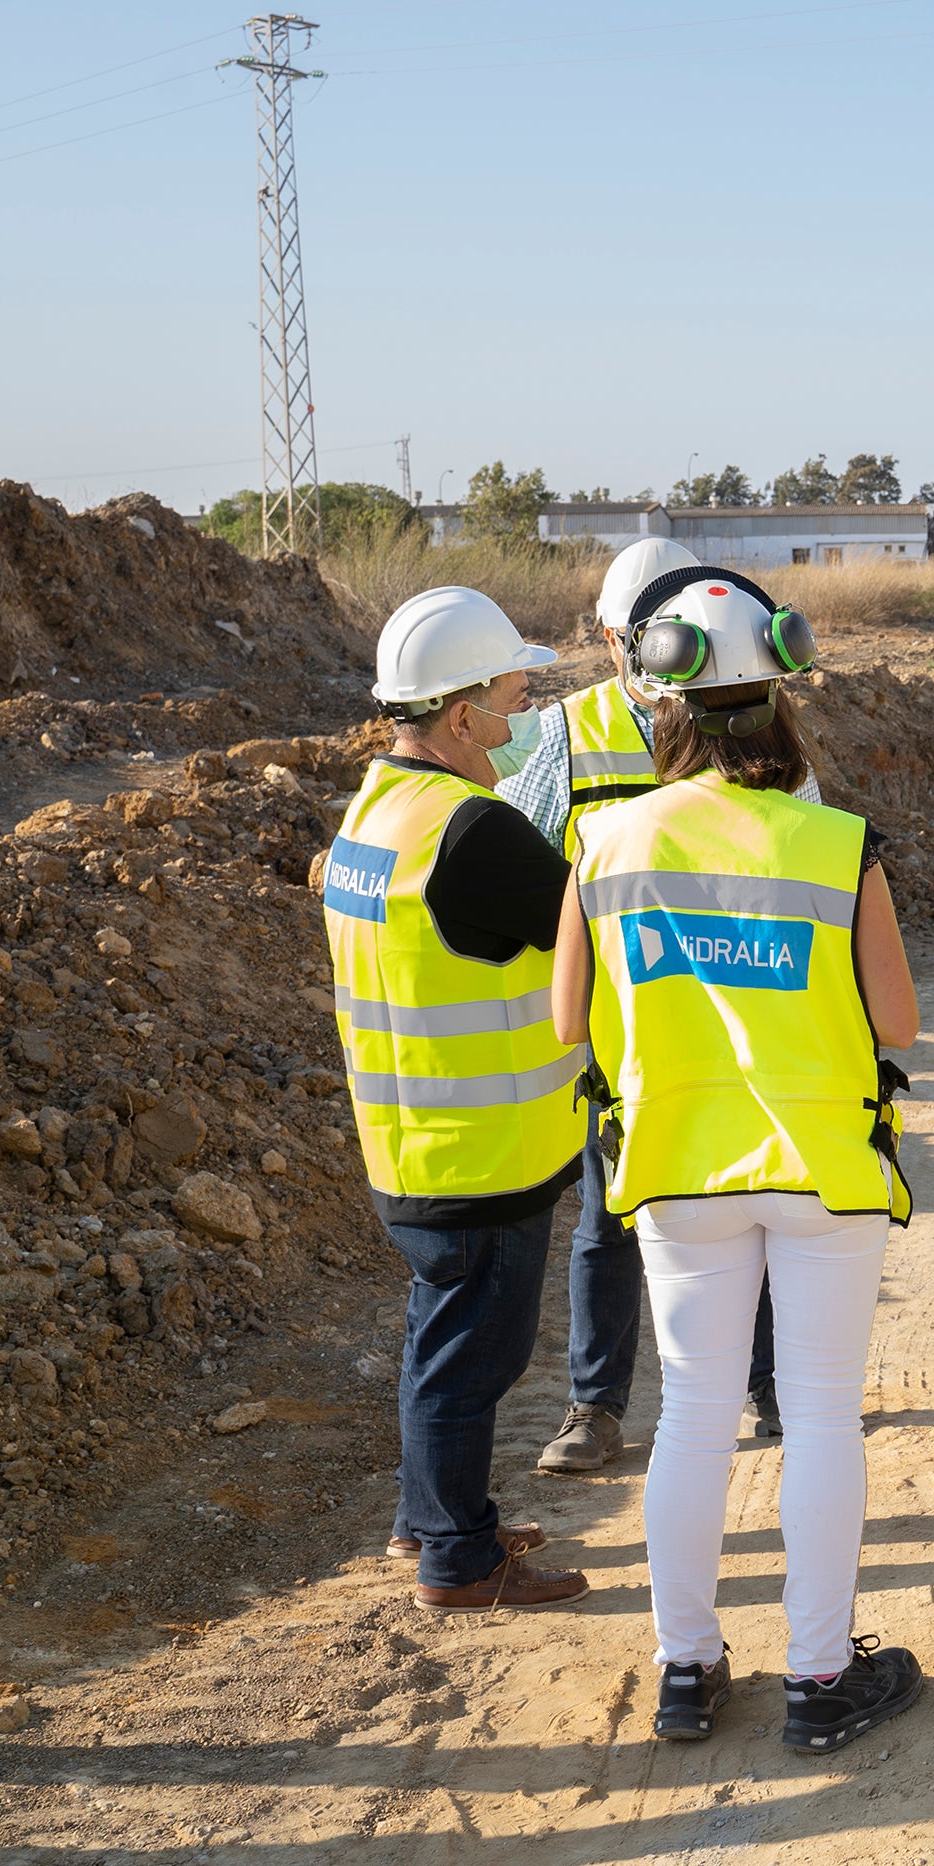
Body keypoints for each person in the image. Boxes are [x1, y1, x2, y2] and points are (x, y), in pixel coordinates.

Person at [548, 569, 925, 1753]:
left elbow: (569, 1016)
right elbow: (902, 1021)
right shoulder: (836, 842)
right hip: (821, 1166)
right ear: (783, 696)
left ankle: (686, 1668)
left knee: (694, 1418)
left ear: (663, 705)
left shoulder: (604, 842)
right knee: (817, 1418)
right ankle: (818, 1679)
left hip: (675, 1165)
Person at [323, 586, 591, 1613]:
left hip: (412, 1139)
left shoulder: (377, 807)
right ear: (463, 713)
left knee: (439, 1337)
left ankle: (426, 1518)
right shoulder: (474, 831)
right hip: (483, 1148)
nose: (524, 722)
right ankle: (461, 1559)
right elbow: (588, 931)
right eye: (515, 698)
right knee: (473, 1356)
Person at [501, 539, 786, 1472]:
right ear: (611, 638)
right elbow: (516, 850)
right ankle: (597, 1407)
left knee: (752, 1197)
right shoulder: (568, 733)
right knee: (609, 1217)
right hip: (626, 1027)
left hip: (739, 1004)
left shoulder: (746, 715)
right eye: (639, 638)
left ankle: (770, 1386)